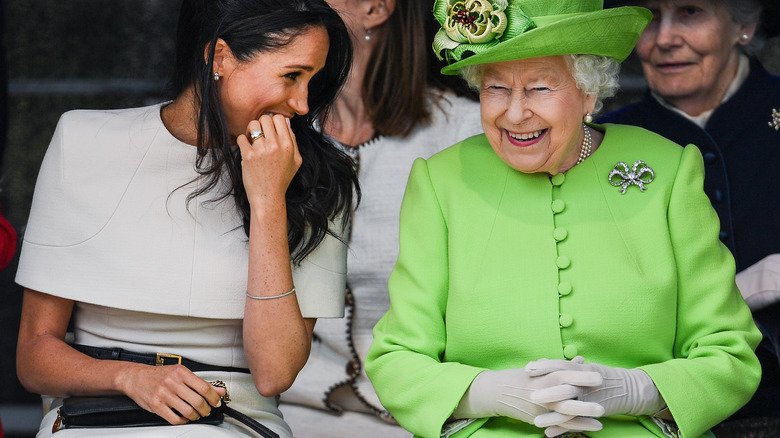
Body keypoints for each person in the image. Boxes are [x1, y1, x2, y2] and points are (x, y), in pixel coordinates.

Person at [365, 0, 762, 437]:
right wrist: (483, 392)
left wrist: (643, 391)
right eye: (496, 88)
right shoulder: (441, 182)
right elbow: (396, 358)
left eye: (539, 89)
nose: (514, 114)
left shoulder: (668, 170)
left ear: (588, 92)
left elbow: (730, 352)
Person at [14, 0, 357, 437]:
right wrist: (128, 378)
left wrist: (269, 198)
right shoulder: (83, 141)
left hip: (231, 419)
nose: (304, 104)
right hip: (96, 416)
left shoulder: (318, 178)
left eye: (313, 79)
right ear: (219, 57)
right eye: (292, 76)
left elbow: (274, 373)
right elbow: (34, 356)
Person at [277, 0, 483, 436]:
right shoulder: (282, 127)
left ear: (376, 7)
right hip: (296, 401)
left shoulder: (466, 133)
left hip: (428, 407)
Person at [598, 0, 780, 421]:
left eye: (690, 12)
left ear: (742, 26)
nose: (663, 39)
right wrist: (750, 285)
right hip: (662, 408)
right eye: (649, 17)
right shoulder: (607, 140)